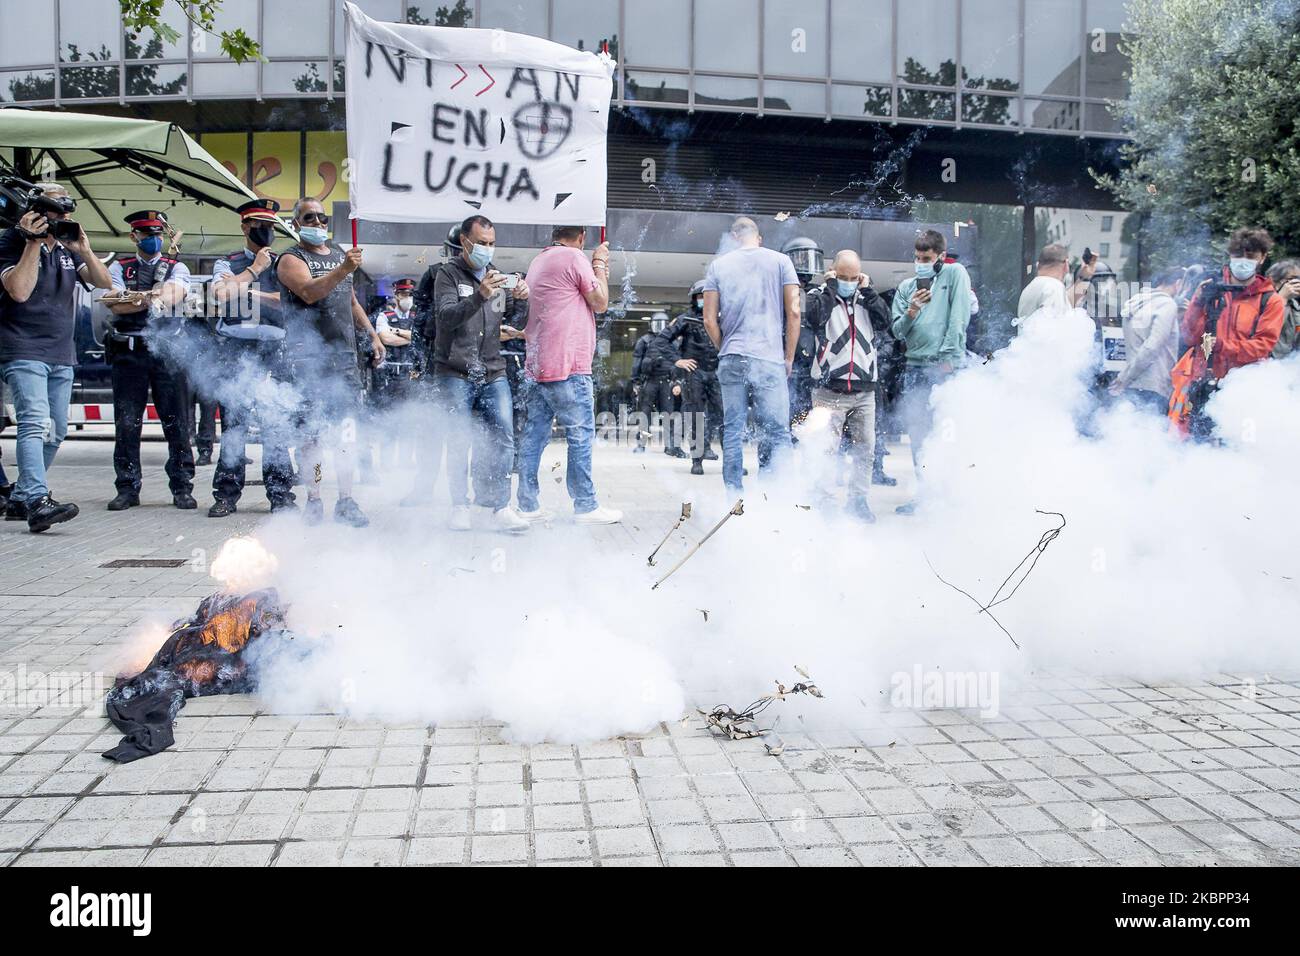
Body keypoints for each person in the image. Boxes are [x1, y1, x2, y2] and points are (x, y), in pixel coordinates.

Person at [0, 182, 112, 532]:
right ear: (34, 210)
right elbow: (18, 291)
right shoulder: (9, 241)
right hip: (21, 347)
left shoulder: (68, 247)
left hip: (62, 351)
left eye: (67, 211)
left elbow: (104, 283)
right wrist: (33, 243)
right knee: (33, 420)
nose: (63, 217)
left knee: (58, 428)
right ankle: (36, 499)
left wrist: (86, 250)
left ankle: (20, 496)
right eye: (56, 210)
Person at [275, 198, 386, 527]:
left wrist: (372, 335)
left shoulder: (339, 253)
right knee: (311, 436)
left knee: (346, 435)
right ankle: (314, 499)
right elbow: (310, 292)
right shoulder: (290, 259)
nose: (319, 223)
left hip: (344, 361)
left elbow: (350, 300)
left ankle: (346, 500)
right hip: (308, 360)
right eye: (310, 217)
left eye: (323, 218)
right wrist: (344, 270)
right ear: (296, 223)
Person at [431, 214, 530, 533]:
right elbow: (446, 318)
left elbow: (512, 320)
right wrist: (479, 295)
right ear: (465, 241)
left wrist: (522, 300)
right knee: (459, 439)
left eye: (492, 243)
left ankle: (499, 505)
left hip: (492, 370)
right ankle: (459, 504)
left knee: (503, 438)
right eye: (482, 243)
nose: (488, 249)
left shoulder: (496, 277)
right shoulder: (445, 274)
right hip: (455, 371)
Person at [516, 225, 621, 524]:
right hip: (567, 365)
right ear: (582, 237)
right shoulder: (575, 258)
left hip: (537, 365)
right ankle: (586, 505)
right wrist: (598, 263)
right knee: (581, 435)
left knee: (534, 436)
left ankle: (527, 504)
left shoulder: (539, 261)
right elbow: (600, 303)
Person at [205, 198, 297, 517]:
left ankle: (281, 494)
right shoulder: (226, 262)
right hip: (235, 350)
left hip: (273, 351)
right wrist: (254, 270)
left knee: (275, 421)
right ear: (245, 227)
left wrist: (246, 289)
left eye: (271, 227)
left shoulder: (286, 262)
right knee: (234, 424)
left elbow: (288, 302)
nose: (267, 232)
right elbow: (220, 294)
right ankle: (227, 494)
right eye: (260, 226)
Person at [103, 210, 196, 512]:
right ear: (134, 236)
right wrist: (149, 295)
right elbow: (116, 305)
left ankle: (182, 486)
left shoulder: (176, 265)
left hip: (167, 352)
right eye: (147, 234)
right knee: (127, 422)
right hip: (129, 352)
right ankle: (127, 487)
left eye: (158, 234)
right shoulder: (119, 266)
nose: (154, 240)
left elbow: (171, 298)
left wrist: (136, 297)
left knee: (176, 421)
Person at [702, 217, 801, 497]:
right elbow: (794, 312)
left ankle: (734, 498)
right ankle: (777, 493)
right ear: (759, 238)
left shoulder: (719, 265)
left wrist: (727, 348)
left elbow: (709, 320)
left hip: (733, 356)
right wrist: (789, 356)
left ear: (734, 237)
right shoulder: (781, 261)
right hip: (769, 358)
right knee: (777, 430)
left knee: (733, 429)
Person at [803, 251, 890, 522]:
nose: (849, 282)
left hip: (864, 390)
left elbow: (886, 323)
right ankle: (825, 503)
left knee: (866, 450)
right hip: (829, 390)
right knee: (826, 450)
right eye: (843, 277)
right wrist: (831, 287)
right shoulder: (819, 295)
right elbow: (815, 318)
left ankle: (858, 501)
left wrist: (868, 292)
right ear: (832, 271)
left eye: (853, 277)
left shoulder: (867, 297)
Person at [890, 229, 972, 514]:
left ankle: (948, 498)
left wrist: (949, 356)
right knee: (918, 433)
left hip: (944, 368)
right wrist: (912, 310)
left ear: (940, 257)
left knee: (946, 435)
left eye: (926, 257)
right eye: (917, 257)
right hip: (915, 367)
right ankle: (924, 496)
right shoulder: (906, 288)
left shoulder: (955, 275)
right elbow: (897, 331)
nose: (920, 262)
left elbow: (959, 317)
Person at [1178, 227, 1285, 439]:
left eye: (1250, 256)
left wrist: (1221, 346)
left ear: (1262, 258)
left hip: (1245, 390)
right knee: (1197, 447)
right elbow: (1189, 335)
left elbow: (1263, 346)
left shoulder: (1270, 299)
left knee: (1241, 446)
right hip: (1204, 383)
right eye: (1238, 255)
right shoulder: (1210, 288)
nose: (1243, 260)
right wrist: (1199, 303)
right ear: (1230, 255)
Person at [663, 280, 722, 474]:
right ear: (694, 299)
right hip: (694, 373)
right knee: (695, 417)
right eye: (700, 297)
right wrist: (677, 361)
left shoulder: (723, 318)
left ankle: (731, 461)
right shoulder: (685, 319)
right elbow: (661, 341)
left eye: (707, 296)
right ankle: (697, 460)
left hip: (717, 372)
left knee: (723, 417)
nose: (703, 300)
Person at [1109, 267, 1184, 415]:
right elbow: (1152, 346)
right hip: (1153, 384)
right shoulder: (1167, 304)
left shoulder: (1137, 302)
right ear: (1178, 283)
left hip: (1132, 383)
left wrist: (1125, 377)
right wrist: (1125, 377)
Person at [369, 278, 421, 470]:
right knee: (389, 420)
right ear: (396, 295)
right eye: (404, 294)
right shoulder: (385, 316)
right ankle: (386, 463)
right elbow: (385, 338)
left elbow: (421, 338)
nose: (408, 298)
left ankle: (406, 462)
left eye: (410, 295)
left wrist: (398, 332)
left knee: (410, 420)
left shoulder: (417, 316)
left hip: (412, 376)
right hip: (391, 376)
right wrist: (411, 337)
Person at [632, 314, 684, 456]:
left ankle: (670, 445)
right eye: (657, 323)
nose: (660, 327)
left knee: (669, 414)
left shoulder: (673, 343)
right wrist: (636, 382)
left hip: (667, 381)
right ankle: (641, 444)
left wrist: (677, 381)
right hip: (649, 380)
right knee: (645, 413)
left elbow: (677, 363)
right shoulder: (644, 341)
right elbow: (637, 363)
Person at [1016, 243, 1071, 322]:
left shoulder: (1028, 289)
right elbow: (1054, 327)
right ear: (1066, 264)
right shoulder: (1054, 287)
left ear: (1038, 265)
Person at [1266, 259, 1300, 360]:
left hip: (1289, 362)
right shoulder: (1264, 301)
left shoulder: (1294, 304)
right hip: (1266, 363)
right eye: (1292, 278)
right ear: (1274, 281)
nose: (1297, 282)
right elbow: (1269, 329)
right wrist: (1282, 298)